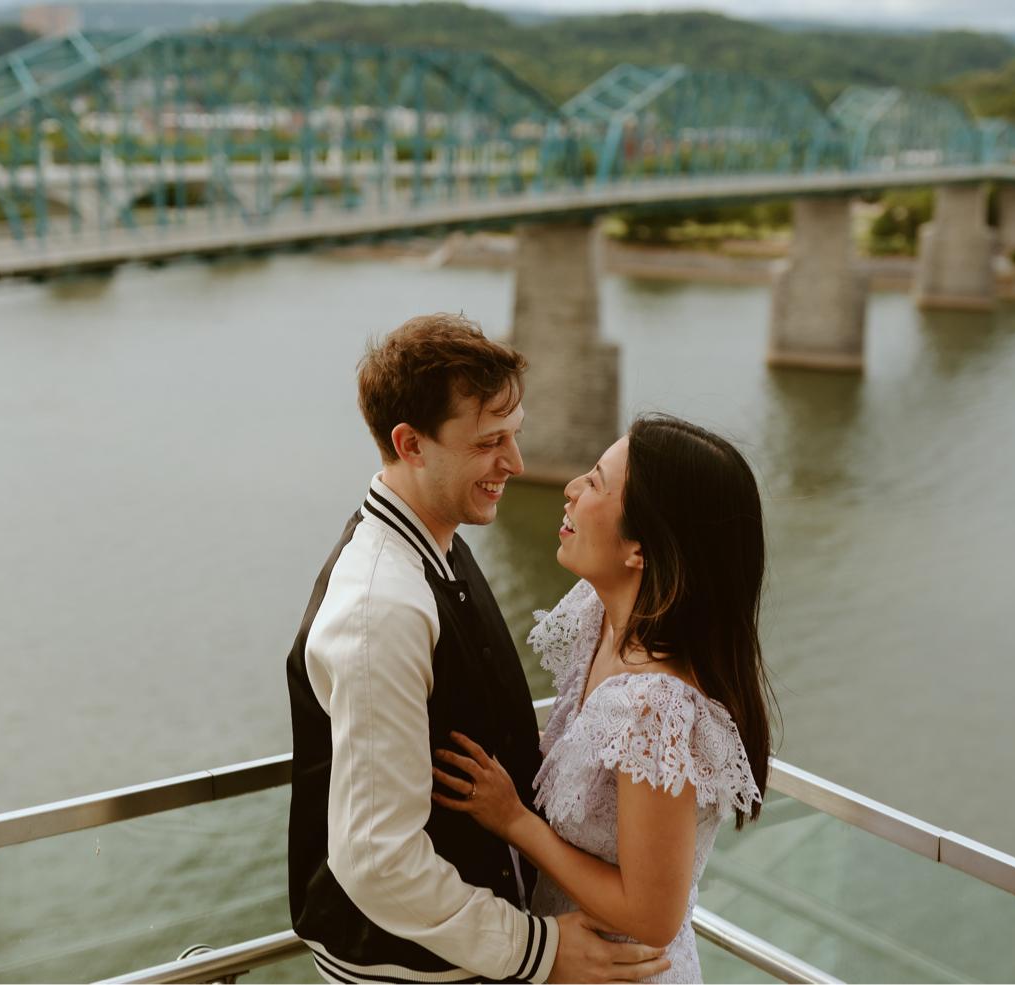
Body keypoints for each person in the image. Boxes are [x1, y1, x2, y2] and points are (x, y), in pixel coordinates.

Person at [285, 313, 673, 984]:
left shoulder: (435, 544)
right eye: (490, 441)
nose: (516, 463)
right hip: (410, 973)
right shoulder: (382, 609)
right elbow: (377, 860)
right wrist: (538, 949)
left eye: (514, 434)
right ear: (410, 444)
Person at [433, 414, 772, 984]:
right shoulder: (600, 621)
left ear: (640, 548)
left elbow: (653, 917)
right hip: (567, 959)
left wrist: (513, 820)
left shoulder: (655, 708)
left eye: (594, 482)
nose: (569, 489)